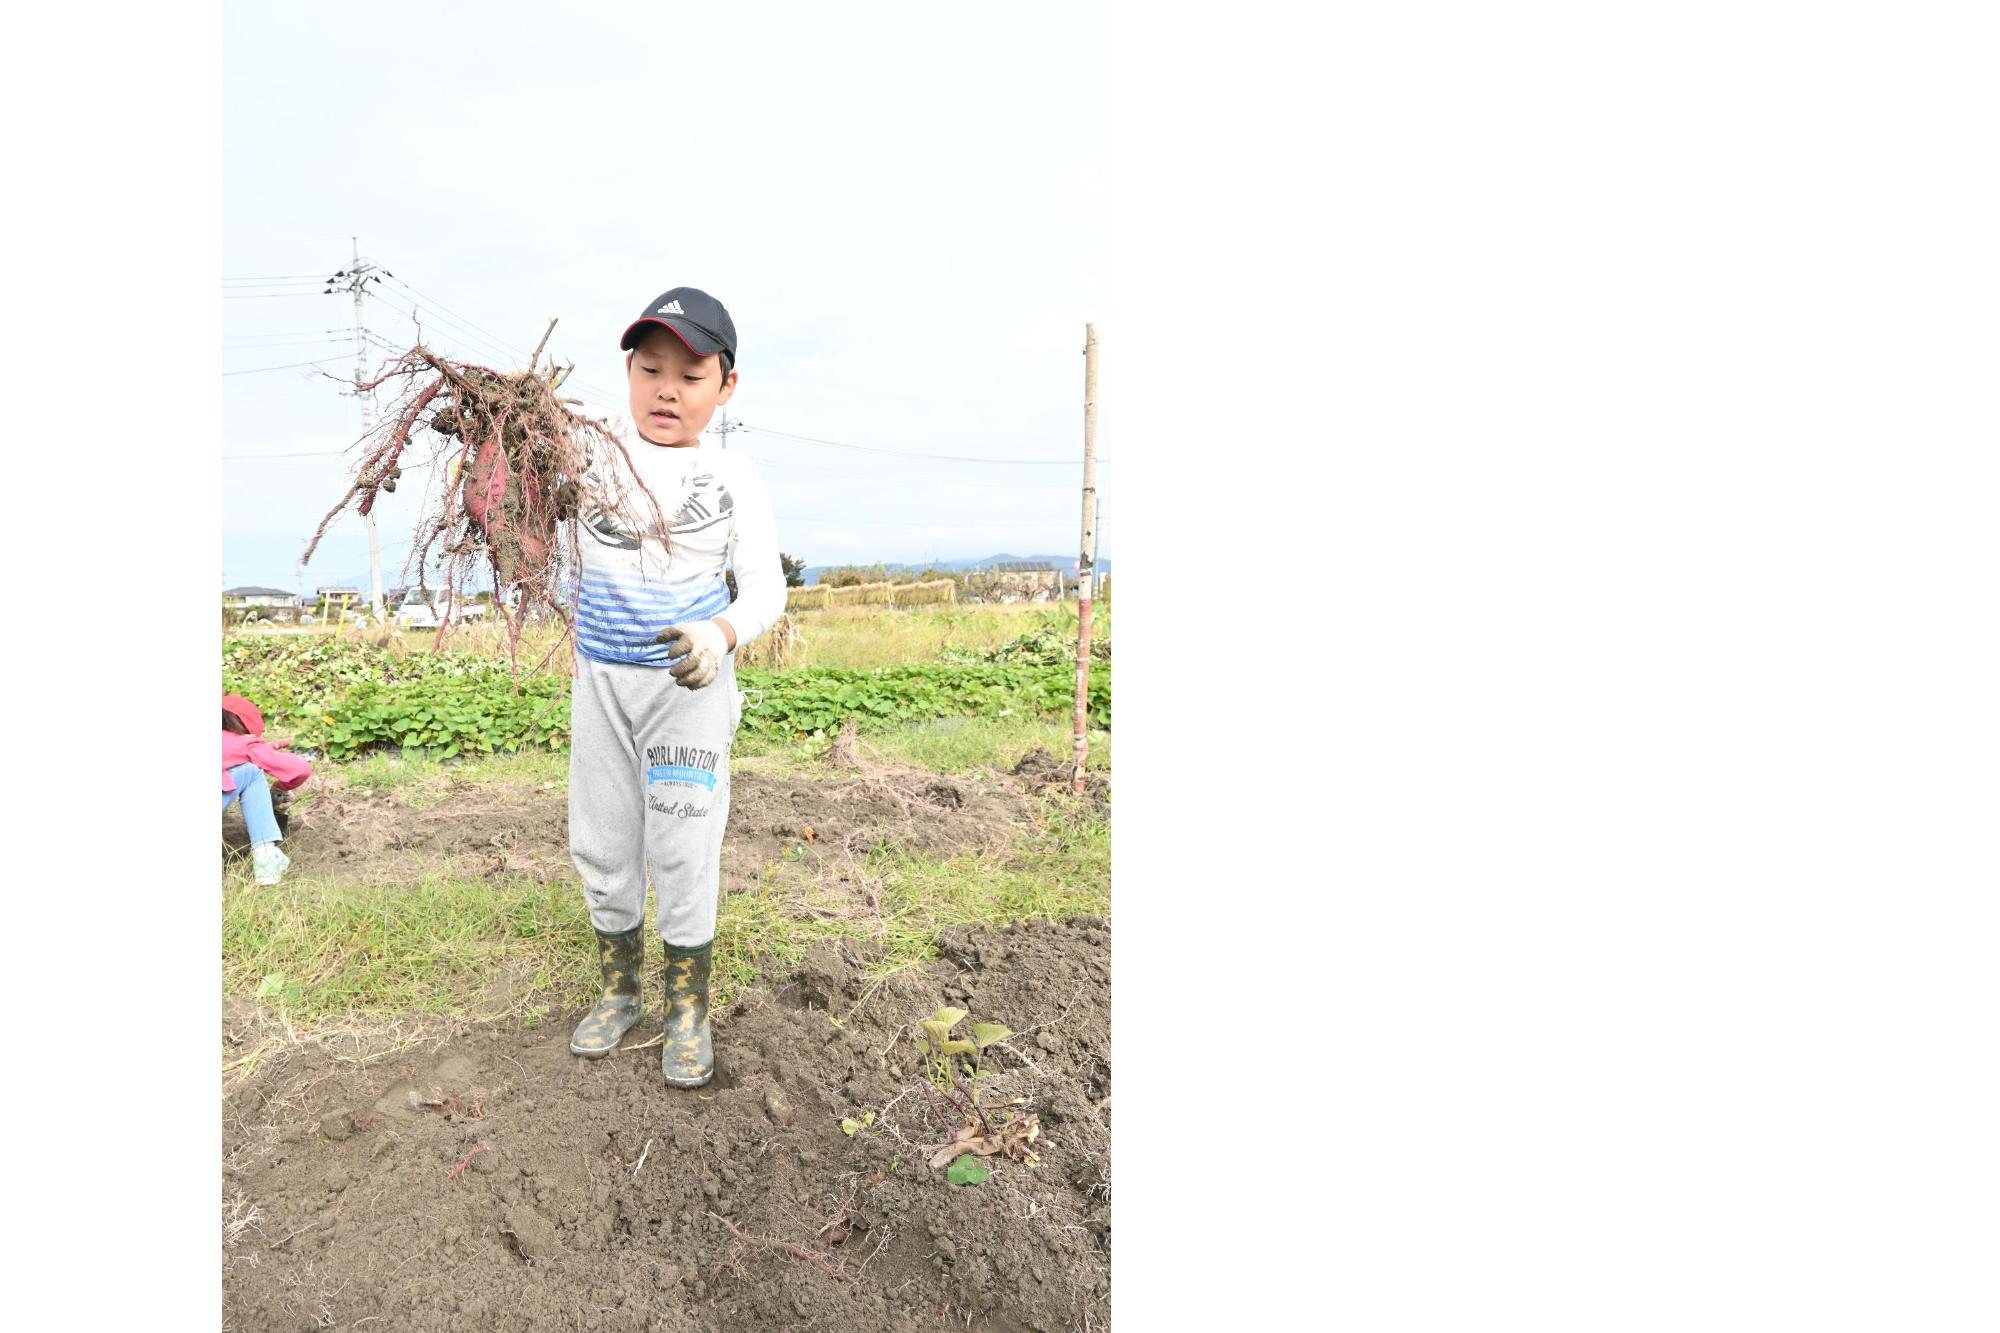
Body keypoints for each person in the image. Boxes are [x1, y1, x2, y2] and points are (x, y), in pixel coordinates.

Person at [563, 286, 786, 1088]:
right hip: (601, 683)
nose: (666, 389)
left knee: (683, 843)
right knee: (602, 838)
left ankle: (687, 1006)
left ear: (725, 387)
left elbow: (766, 588)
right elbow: (518, 510)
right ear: (627, 372)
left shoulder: (732, 476)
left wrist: (717, 635)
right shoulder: (586, 454)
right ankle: (619, 988)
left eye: (690, 376)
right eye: (649, 368)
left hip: (685, 687)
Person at [222, 693, 313, 885]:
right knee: (253, 771)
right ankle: (266, 860)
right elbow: (300, 769)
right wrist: (279, 787)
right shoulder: (245, 744)